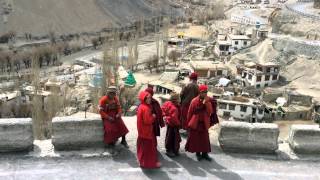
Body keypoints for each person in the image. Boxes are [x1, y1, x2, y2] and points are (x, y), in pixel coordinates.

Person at [185, 85, 213, 161]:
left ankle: (205, 154)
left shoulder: (208, 100)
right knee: (197, 139)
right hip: (196, 123)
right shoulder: (194, 101)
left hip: (204, 123)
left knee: (205, 140)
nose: (204, 94)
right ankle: (198, 154)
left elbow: (210, 112)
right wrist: (188, 123)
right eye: (203, 92)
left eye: (205, 92)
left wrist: (206, 103)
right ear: (199, 93)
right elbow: (190, 112)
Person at [99, 86, 129, 151]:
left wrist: (119, 113)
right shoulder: (103, 100)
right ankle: (111, 143)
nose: (112, 95)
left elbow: (119, 107)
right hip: (107, 116)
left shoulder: (115, 98)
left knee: (122, 125)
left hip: (115, 115)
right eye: (111, 93)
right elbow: (101, 111)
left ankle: (123, 140)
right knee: (110, 129)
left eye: (114, 93)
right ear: (108, 93)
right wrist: (108, 117)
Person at [136, 91, 161, 169]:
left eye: (150, 98)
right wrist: (153, 116)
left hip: (142, 131)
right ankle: (149, 164)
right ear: (144, 99)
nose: (150, 99)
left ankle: (141, 161)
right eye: (148, 98)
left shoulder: (141, 106)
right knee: (149, 149)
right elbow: (148, 121)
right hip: (147, 131)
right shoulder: (146, 108)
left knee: (142, 148)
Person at [161, 92, 182, 157]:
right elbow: (174, 119)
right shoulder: (174, 108)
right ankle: (170, 150)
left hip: (170, 125)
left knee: (169, 137)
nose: (179, 100)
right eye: (179, 99)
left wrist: (165, 117)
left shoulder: (167, 103)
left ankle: (173, 150)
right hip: (174, 125)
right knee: (173, 138)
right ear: (176, 100)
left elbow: (162, 109)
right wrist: (179, 124)